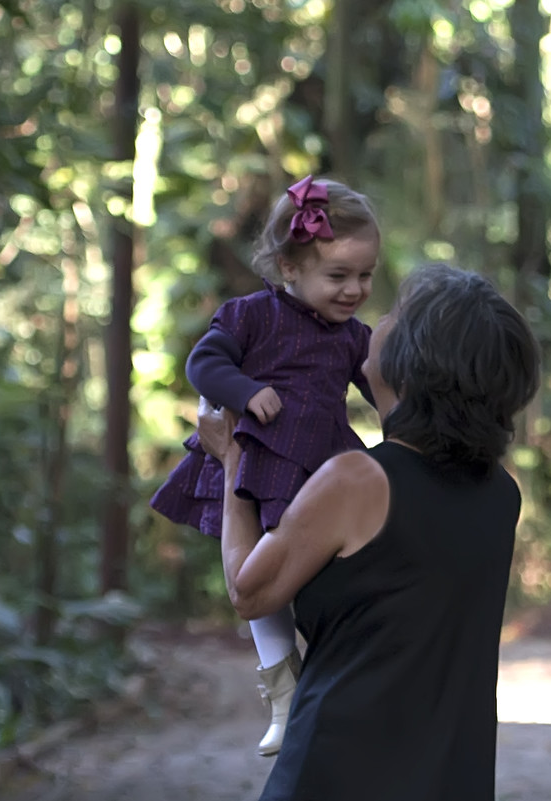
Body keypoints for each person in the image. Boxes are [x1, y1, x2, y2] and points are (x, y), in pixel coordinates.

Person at [195, 264, 541, 800]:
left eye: (394, 314)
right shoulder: (501, 496)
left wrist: (234, 456)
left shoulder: (357, 479)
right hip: (452, 779)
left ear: (413, 360)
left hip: (335, 772)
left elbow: (249, 589)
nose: (374, 318)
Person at [149, 175, 381, 757]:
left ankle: (338, 679)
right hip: (259, 465)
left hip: (324, 465)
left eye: (365, 276)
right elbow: (203, 363)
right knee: (260, 580)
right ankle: (282, 691)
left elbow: (385, 393)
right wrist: (246, 390)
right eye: (338, 276)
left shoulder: (353, 338)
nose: (355, 289)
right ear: (288, 268)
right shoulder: (252, 315)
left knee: (333, 576)